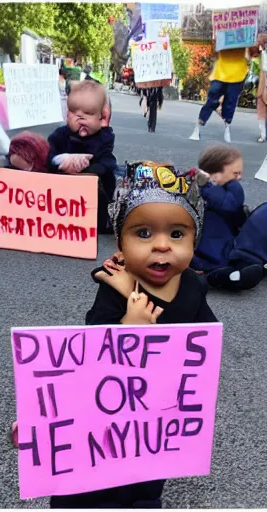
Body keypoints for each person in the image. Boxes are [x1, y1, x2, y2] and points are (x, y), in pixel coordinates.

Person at [51, 160, 217, 509]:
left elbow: (205, 341)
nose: (161, 246)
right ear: (120, 243)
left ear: (194, 238)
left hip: (156, 422)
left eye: (177, 234)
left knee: (146, 485)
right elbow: (85, 356)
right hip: (108, 419)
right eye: (143, 233)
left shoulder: (192, 285)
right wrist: (129, 328)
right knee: (95, 488)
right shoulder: (112, 289)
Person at [190, 144, 264, 290]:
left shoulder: (210, 188)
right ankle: (227, 276)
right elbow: (232, 204)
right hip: (217, 250)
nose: (239, 178)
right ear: (215, 174)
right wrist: (233, 185)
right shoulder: (209, 189)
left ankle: (242, 269)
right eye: (235, 174)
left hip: (225, 244)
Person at [47, 80, 117, 233]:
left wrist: (88, 168)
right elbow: (48, 154)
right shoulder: (60, 135)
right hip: (62, 187)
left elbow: (108, 161)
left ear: (102, 117)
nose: (80, 119)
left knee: (108, 176)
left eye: (88, 114)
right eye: (74, 113)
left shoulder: (103, 137)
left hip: (90, 188)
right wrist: (60, 160)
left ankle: (103, 219)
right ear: (67, 114)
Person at [189, 48, 249, 143]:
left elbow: (253, 51)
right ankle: (198, 126)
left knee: (230, 102)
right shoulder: (222, 32)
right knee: (212, 99)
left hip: (238, 72)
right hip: (221, 71)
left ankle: (227, 126)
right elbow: (216, 49)